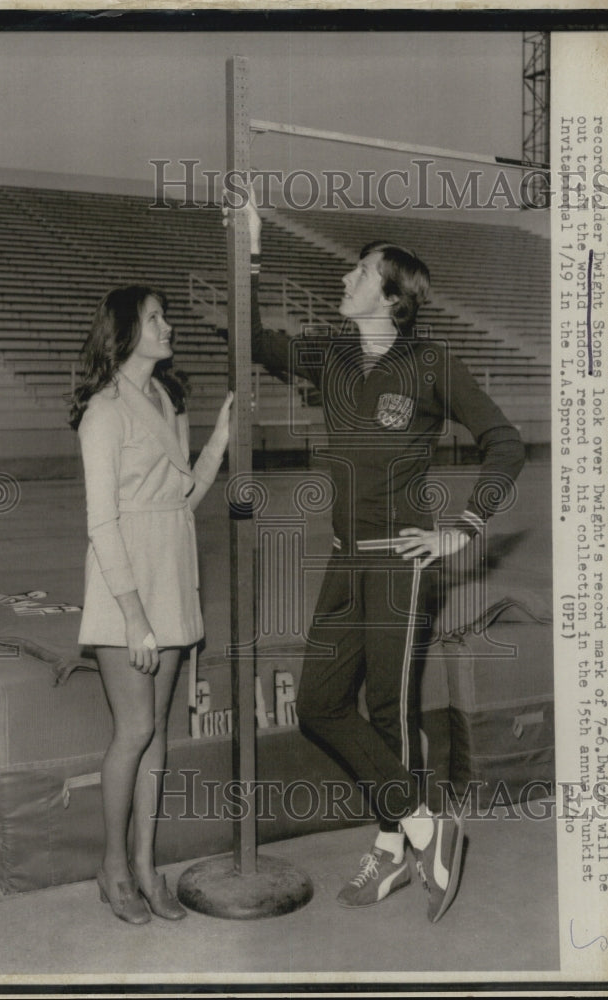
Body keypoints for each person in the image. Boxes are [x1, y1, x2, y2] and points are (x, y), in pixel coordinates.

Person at [224, 192, 525, 923]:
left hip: (400, 563)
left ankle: (393, 851)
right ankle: (425, 828)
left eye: (360, 272)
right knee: (320, 705)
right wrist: (251, 249)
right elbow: (248, 336)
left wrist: (462, 527)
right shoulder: (330, 357)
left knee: (390, 715)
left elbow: (505, 442)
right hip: (343, 560)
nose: (345, 278)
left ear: (392, 296)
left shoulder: (431, 365)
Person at [70, 286, 232, 925]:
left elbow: (184, 496)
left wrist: (218, 437)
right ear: (125, 332)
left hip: (172, 567)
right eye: (155, 318)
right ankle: (111, 866)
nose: (169, 327)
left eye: (165, 317)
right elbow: (102, 523)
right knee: (133, 730)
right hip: (124, 582)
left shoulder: (168, 399)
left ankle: (144, 863)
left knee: (159, 734)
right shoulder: (103, 413)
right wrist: (134, 615)